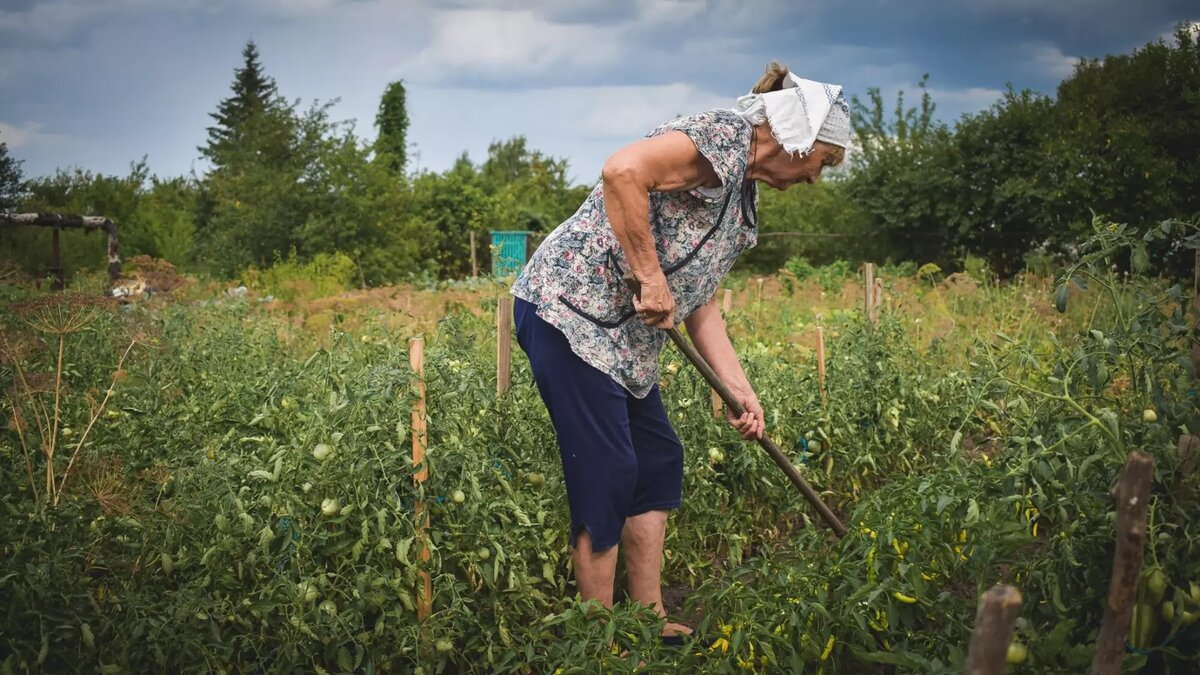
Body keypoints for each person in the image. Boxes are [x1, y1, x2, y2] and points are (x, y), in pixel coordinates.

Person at [509, 62, 850, 641]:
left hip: (629, 336)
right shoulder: (722, 133)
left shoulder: (742, 202)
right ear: (800, 139)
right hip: (569, 312)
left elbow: (701, 304)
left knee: (660, 462)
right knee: (608, 469)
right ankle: (597, 638)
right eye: (823, 162)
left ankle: (648, 619)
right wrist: (648, 274)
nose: (817, 178)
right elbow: (621, 172)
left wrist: (739, 389)